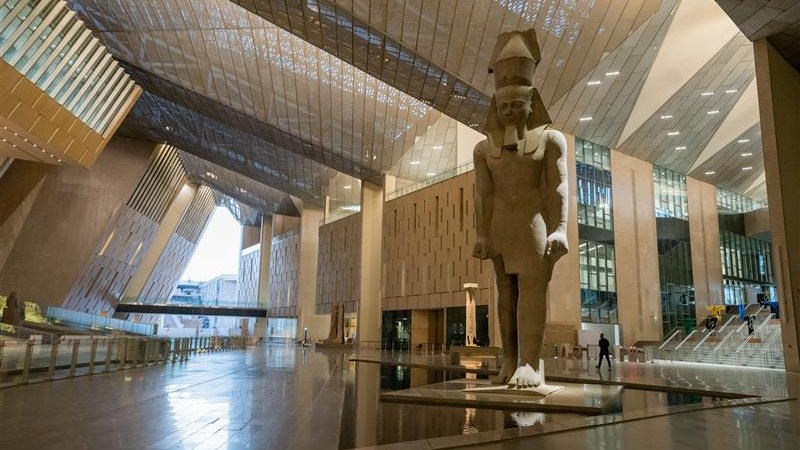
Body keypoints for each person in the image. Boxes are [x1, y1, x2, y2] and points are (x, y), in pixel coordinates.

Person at [473, 28, 569, 389]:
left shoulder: (550, 139)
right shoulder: (483, 150)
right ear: (495, 107)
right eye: (504, 105)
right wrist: (481, 233)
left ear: (532, 103)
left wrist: (561, 228)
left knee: (531, 290)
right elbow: (482, 194)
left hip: (534, 224)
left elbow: (558, 187)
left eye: (518, 104)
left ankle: (530, 362)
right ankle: (509, 359)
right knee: (505, 295)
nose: (511, 111)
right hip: (501, 227)